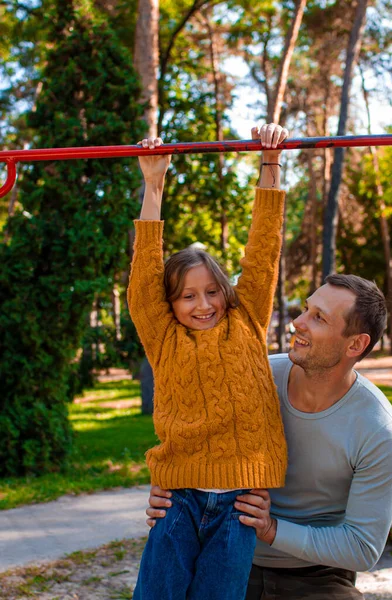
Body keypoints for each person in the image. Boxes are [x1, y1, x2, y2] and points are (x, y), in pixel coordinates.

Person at [147, 274, 392, 599]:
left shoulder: (378, 429)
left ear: (355, 344)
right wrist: (168, 492)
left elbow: (362, 548)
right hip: (226, 554)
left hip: (317, 577)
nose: (298, 322)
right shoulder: (254, 376)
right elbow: (191, 440)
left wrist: (272, 530)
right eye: (306, 309)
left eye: (318, 318)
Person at [127, 123, 290, 600]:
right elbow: (142, 280)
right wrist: (154, 183)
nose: (203, 304)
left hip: (241, 502)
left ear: (226, 290)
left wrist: (270, 161)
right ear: (170, 303)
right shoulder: (163, 338)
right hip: (177, 499)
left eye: (212, 291)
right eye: (188, 296)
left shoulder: (248, 319)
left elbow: (263, 249)